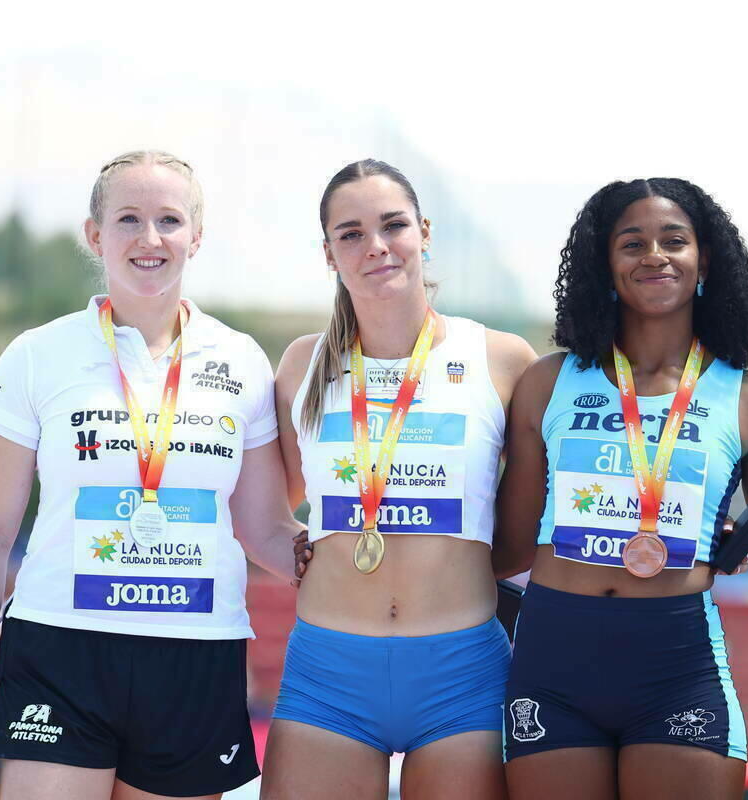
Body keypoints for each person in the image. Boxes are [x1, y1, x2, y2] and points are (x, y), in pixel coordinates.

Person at [0, 151, 303, 800]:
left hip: (196, 655)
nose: (149, 238)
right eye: (128, 219)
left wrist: (373, 557)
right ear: (94, 234)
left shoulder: (242, 361)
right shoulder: (36, 356)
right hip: (59, 650)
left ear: (196, 236)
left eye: (168, 220)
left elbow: (265, 529)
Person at [492, 178, 748, 800]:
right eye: (632, 243)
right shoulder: (549, 383)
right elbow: (505, 551)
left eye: (675, 240)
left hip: (678, 669)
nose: (655, 254)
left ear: (704, 261)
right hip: (552, 670)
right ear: (605, 266)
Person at [259, 159, 538, 800]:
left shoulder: (500, 358)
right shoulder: (303, 364)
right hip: (329, 672)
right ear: (328, 253)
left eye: (393, 225)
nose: (376, 246)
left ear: (425, 231)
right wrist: (289, 545)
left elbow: (568, 489)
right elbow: (277, 500)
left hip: (462, 670)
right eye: (350, 233)